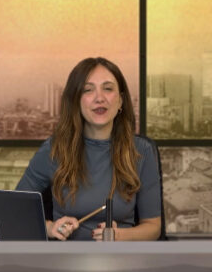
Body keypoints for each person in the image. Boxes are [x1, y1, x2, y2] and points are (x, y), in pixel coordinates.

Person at [16, 57, 161, 241]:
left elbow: (153, 227)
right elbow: (16, 210)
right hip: (66, 257)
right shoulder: (54, 149)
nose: (99, 98)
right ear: (76, 101)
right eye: (88, 90)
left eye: (108, 89)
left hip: (120, 257)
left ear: (121, 101)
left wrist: (118, 236)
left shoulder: (142, 151)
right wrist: (50, 228)